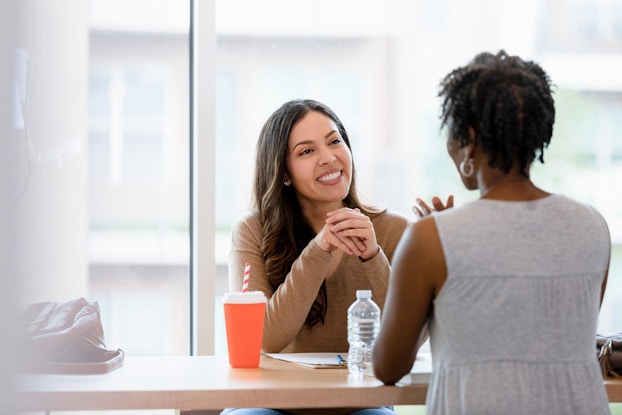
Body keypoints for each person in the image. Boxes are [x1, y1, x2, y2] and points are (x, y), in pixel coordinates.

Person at [372, 50, 611, 414]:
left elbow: (388, 367)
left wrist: (446, 237)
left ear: (468, 136)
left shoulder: (429, 239)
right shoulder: (593, 226)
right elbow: (547, 334)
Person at [224, 99, 409, 415]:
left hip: (360, 405)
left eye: (335, 141)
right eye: (306, 151)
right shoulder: (253, 230)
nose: (329, 158)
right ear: (283, 173)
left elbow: (408, 341)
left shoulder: (394, 230)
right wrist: (319, 249)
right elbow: (265, 339)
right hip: (271, 405)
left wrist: (374, 257)